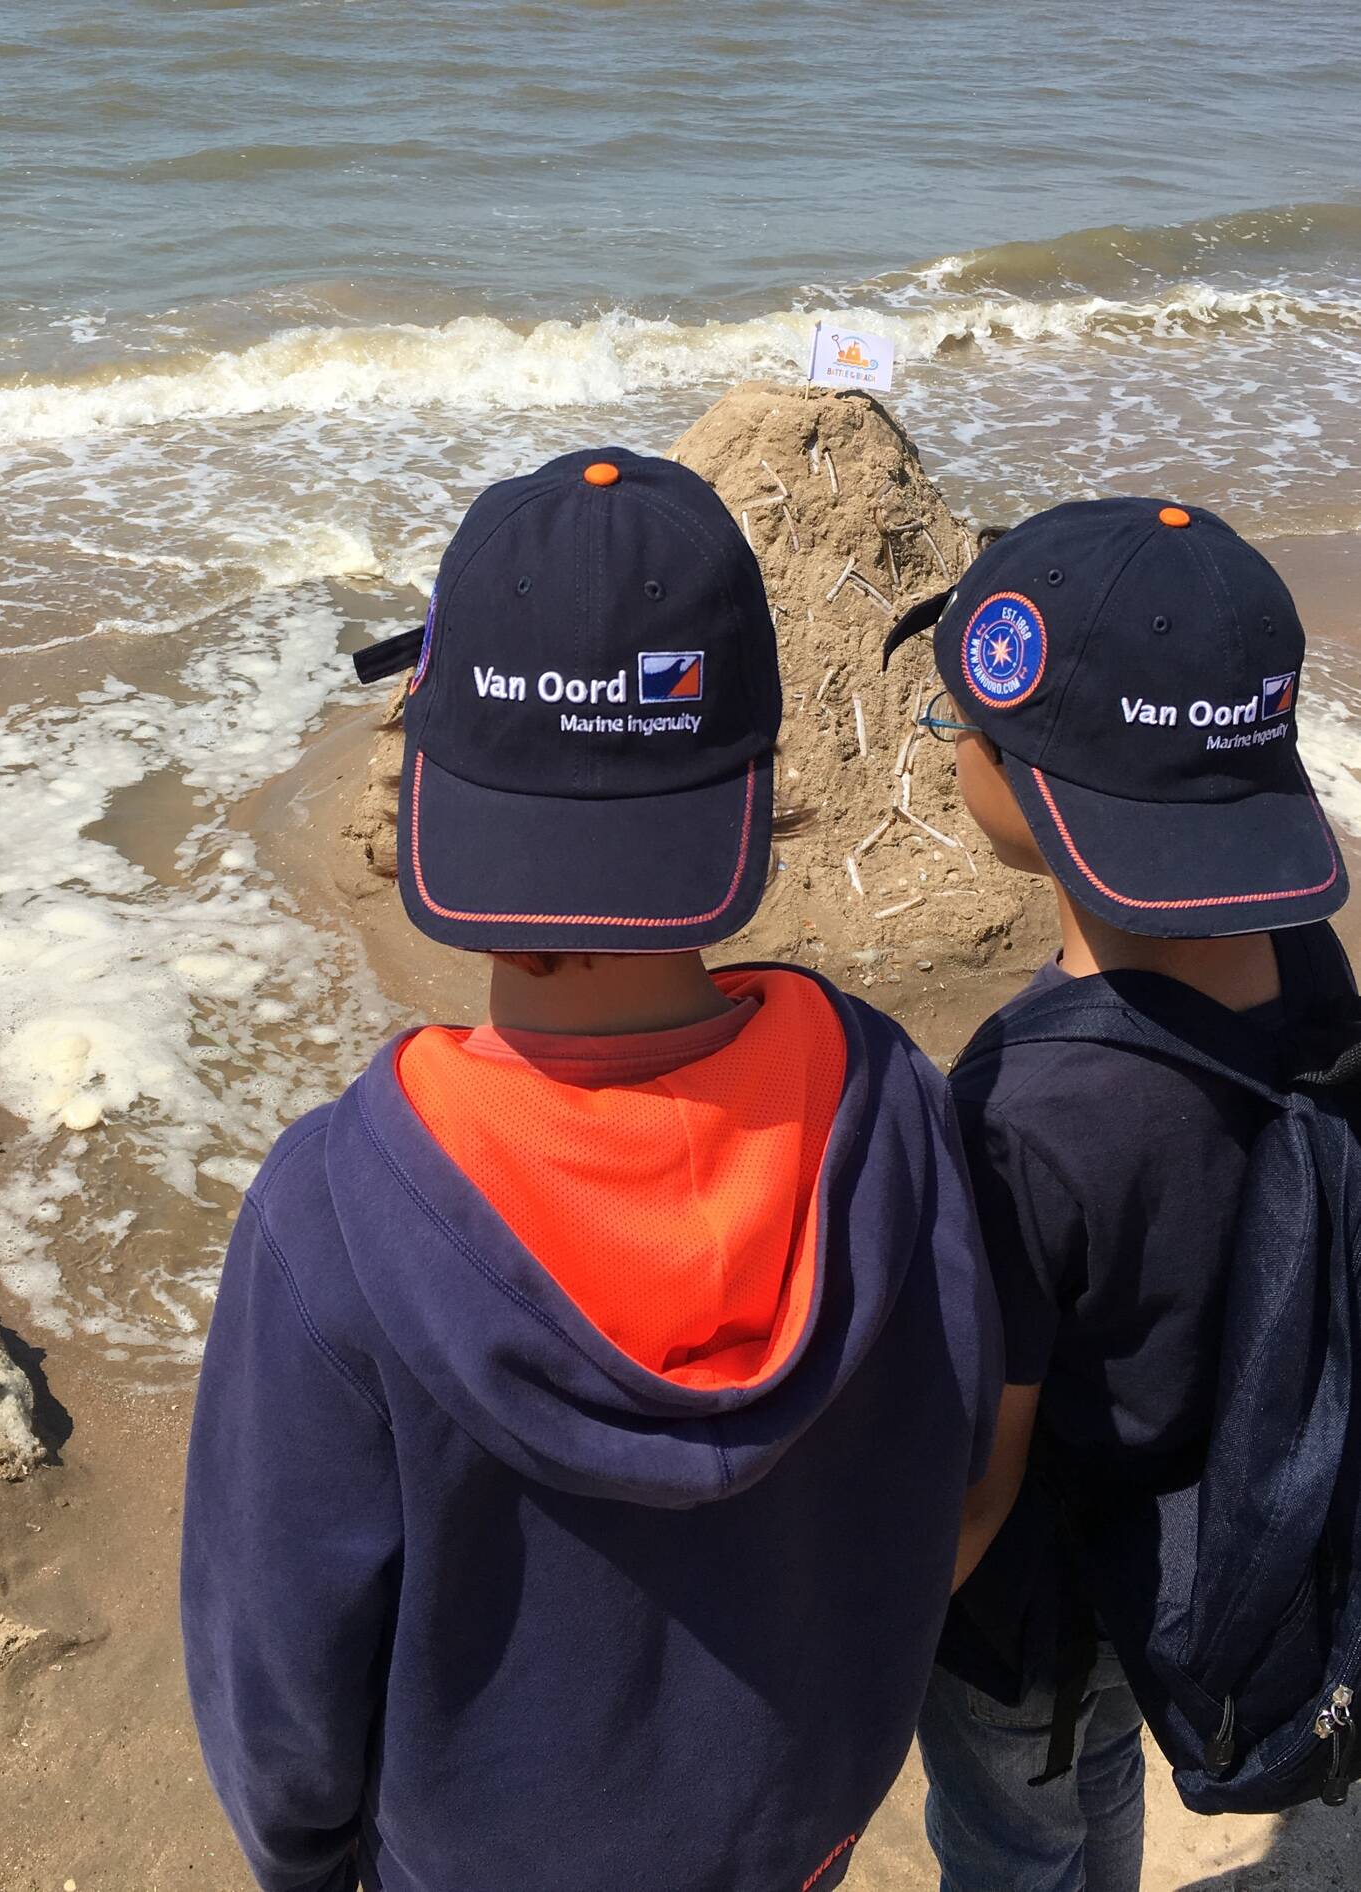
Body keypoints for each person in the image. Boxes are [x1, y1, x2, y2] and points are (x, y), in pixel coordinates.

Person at [179, 447, 1003, 1892]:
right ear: (751, 785)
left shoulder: (336, 1217)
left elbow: (278, 1660)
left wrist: (309, 1861)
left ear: (435, 786)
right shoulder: (887, 1103)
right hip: (793, 1827)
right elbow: (944, 1452)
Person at [883, 497, 1354, 1892]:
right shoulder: (1310, 965)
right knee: (1097, 1771)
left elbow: (979, 1478)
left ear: (1026, 781)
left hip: (1025, 1609)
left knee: (1011, 1831)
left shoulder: (1020, 1109)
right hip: (1176, 1562)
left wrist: (868, 1625)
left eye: (950, 729)